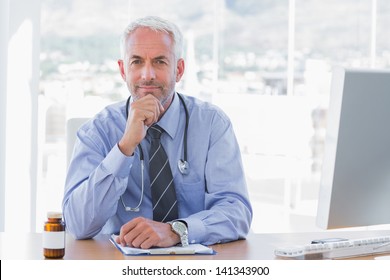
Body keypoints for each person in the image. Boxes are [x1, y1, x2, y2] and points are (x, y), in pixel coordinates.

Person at [62, 16, 252, 249]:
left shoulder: (212, 124)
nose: (147, 74)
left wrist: (176, 230)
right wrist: (124, 148)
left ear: (179, 69)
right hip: (120, 265)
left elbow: (237, 212)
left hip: (195, 264)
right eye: (137, 62)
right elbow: (77, 224)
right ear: (123, 70)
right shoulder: (97, 131)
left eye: (160, 62)